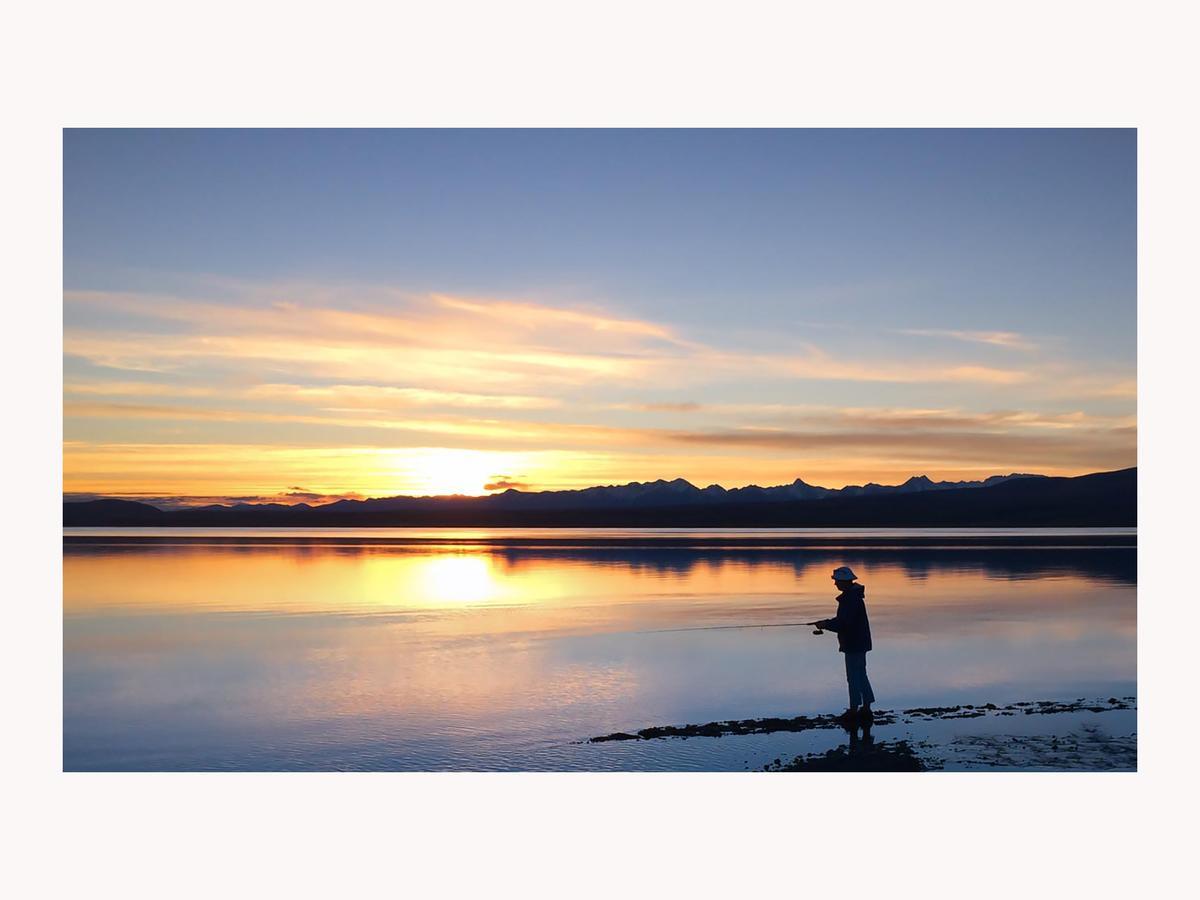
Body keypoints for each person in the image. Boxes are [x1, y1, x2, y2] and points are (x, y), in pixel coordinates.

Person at [814, 565, 875, 720]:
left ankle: (854, 710)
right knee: (861, 674)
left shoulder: (850, 599)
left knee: (854, 677)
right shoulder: (853, 597)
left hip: (854, 643)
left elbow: (844, 623)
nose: (835, 584)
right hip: (859, 642)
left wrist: (826, 624)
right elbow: (844, 622)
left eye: (837, 581)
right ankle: (866, 708)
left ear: (844, 582)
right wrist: (826, 623)